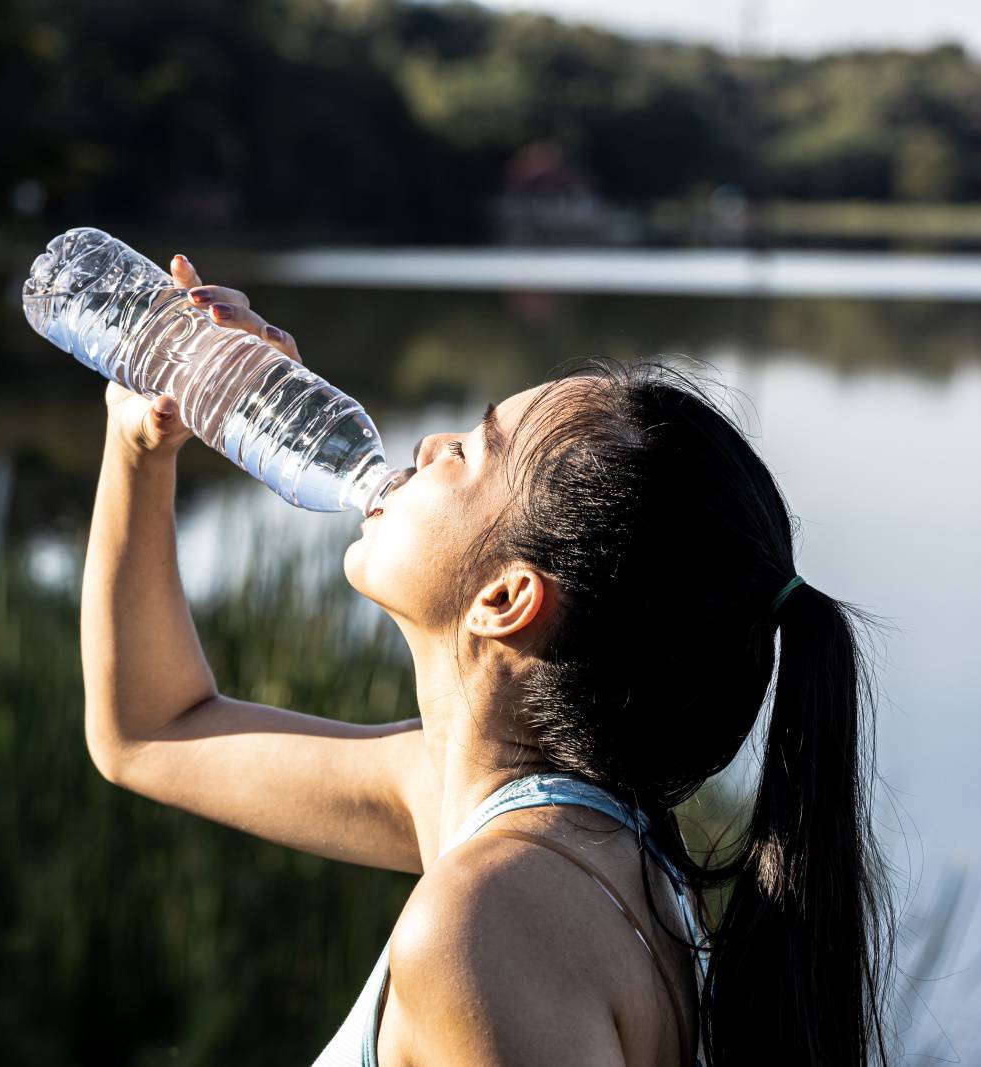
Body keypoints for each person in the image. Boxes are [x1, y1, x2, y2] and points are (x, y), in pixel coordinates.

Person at [81, 254, 893, 1066]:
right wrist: (142, 447)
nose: (430, 444)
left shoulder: (491, 916)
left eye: (469, 453)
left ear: (506, 598)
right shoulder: (533, 829)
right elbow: (153, 730)